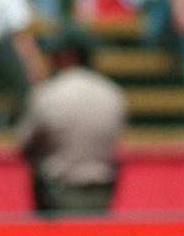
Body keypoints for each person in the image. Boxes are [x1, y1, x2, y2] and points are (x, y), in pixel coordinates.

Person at [17, 30, 127, 214]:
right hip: (102, 190)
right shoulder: (112, 93)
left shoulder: (48, 93)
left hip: (57, 192)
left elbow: (25, 143)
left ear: (66, 56)